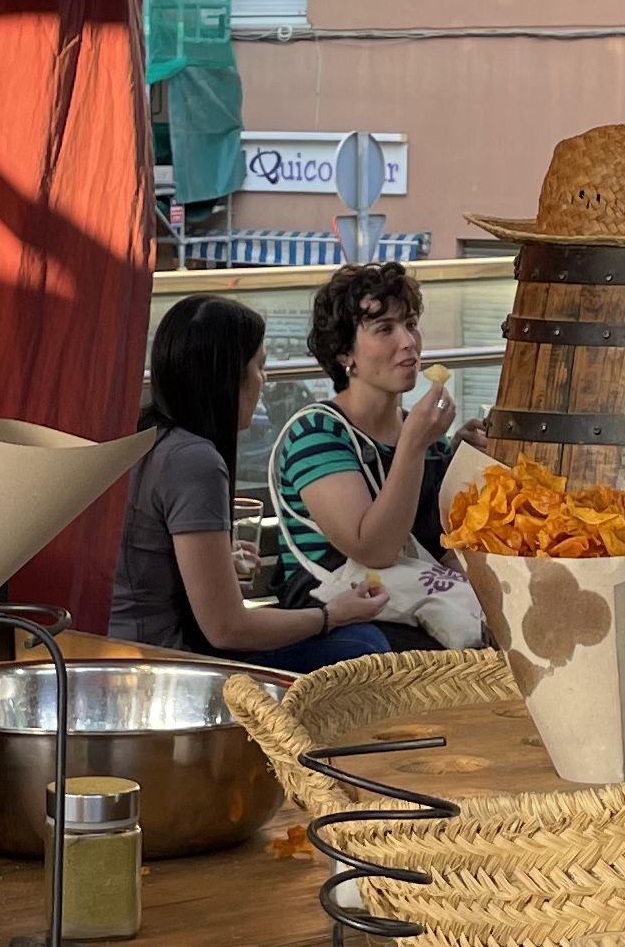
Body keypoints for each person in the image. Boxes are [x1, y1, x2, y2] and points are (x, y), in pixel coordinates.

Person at [107, 297, 391, 669]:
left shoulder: (146, 436)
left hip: (119, 647)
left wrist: (219, 563)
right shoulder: (194, 460)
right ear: (228, 377)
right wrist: (332, 614)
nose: (265, 379)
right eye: (260, 365)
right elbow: (226, 628)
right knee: (363, 645)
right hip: (165, 665)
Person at [267, 260, 458, 599]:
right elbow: (372, 550)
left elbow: (439, 546)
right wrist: (413, 446)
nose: (409, 341)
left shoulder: (422, 432)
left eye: (411, 324)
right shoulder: (317, 433)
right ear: (344, 353)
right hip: (334, 623)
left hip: (411, 609)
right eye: (385, 329)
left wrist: (460, 457)